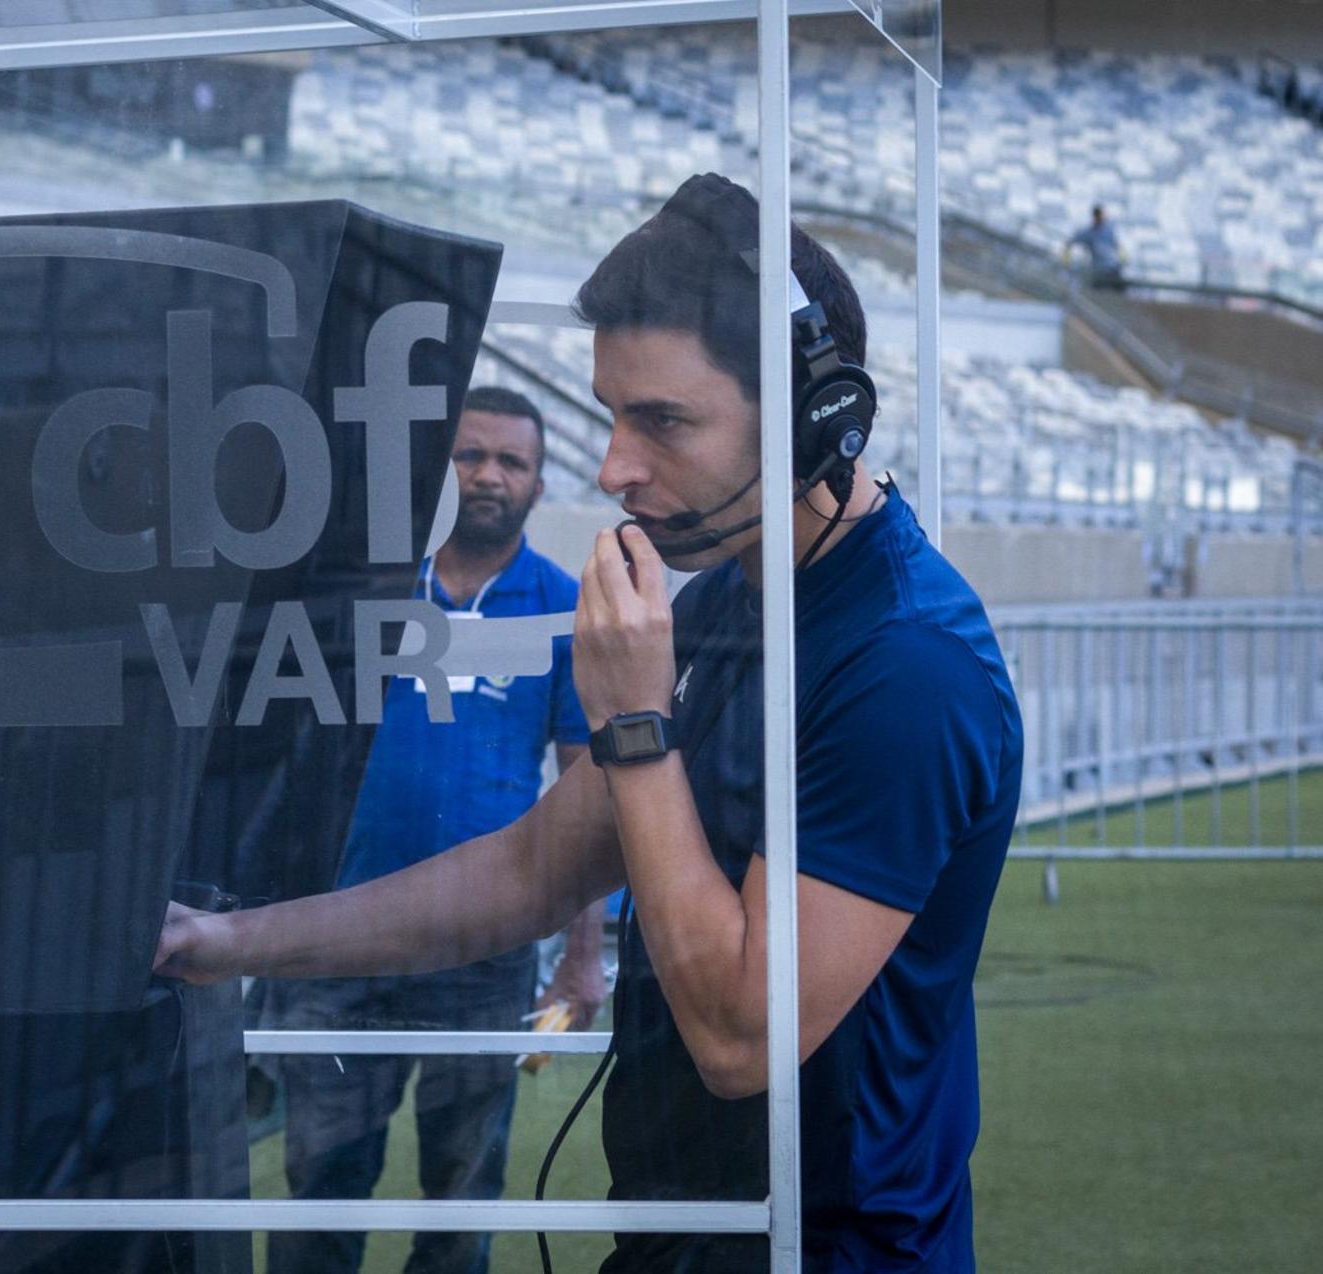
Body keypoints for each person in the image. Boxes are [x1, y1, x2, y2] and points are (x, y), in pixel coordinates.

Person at [159, 172, 1023, 1272]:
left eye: (662, 420)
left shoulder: (908, 664)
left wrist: (631, 726)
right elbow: (528, 868)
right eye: (613, 415)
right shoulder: (727, 603)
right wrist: (229, 940)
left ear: (820, 419)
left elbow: (741, 1035)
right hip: (679, 1236)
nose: (614, 466)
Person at [262, 384, 607, 1274]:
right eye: (470, 455)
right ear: (438, 471)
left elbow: (585, 796)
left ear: (537, 484)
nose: (488, 475)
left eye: (511, 461)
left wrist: (579, 956)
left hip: (484, 947)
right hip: (342, 938)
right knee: (320, 1186)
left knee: (461, 1197)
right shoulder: (364, 595)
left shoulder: (562, 609)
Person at [1064, 204, 1127, 289]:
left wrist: (1123, 257)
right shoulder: (1089, 233)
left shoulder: (1109, 230)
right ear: (1095, 217)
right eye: (1099, 216)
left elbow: (1117, 245)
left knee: (1119, 289)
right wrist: (1066, 259)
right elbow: (1070, 242)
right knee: (1098, 291)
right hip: (1099, 269)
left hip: (1113, 267)